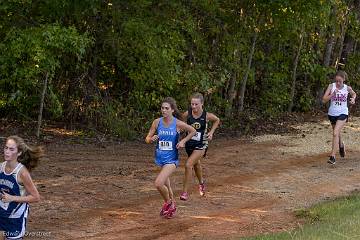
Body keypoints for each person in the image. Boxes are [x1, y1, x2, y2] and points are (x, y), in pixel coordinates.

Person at [145, 97, 196, 219]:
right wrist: (150, 139)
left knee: (158, 183)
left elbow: (193, 131)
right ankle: (171, 201)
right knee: (167, 185)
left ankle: (169, 204)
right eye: (162, 108)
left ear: (172, 110)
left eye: (166, 108)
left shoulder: (177, 123)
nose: (164, 110)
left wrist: (183, 141)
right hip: (160, 158)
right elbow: (147, 138)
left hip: (171, 160)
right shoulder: (157, 122)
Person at [0, 135, 44, 240]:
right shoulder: (1, 167)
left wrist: (12, 198)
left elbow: (36, 197)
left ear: (19, 153)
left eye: (11, 149)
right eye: (6, 148)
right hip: (2, 214)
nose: (7, 151)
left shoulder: (22, 173)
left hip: (15, 217)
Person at [180, 93, 220, 201]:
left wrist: (211, 132)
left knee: (188, 165)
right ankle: (201, 183)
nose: (193, 106)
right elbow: (182, 125)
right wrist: (181, 131)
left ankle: (184, 192)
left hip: (201, 144)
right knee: (196, 164)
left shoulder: (206, 115)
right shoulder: (186, 114)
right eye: (192, 104)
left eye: (196, 104)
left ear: (202, 104)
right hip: (189, 144)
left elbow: (217, 120)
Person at [322, 70, 356, 164]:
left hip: (343, 113)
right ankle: (341, 145)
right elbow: (324, 100)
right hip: (332, 113)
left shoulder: (347, 88)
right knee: (336, 133)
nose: (338, 83)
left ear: (344, 80)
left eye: (340, 81)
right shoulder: (331, 86)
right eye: (336, 81)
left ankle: (333, 156)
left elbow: (354, 94)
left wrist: (353, 99)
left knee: (335, 132)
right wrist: (332, 94)